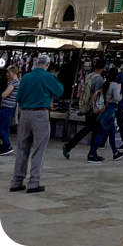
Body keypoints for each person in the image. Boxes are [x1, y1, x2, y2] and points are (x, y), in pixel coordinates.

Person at [9, 54, 63, 194]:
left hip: (24, 113)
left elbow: (18, 97)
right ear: (48, 64)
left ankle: (16, 181)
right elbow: (60, 91)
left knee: (22, 148)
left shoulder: (26, 77)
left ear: (36, 63)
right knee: (39, 149)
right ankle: (33, 182)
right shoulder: (48, 77)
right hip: (40, 113)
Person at [63, 58, 105, 160]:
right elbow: (96, 95)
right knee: (93, 130)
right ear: (103, 68)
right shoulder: (99, 79)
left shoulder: (89, 75)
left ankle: (72, 146)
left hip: (86, 106)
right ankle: (91, 153)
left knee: (88, 128)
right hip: (93, 108)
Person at [87, 67, 123, 164]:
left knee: (112, 132)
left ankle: (115, 152)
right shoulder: (114, 85)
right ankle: (92, 154)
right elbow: (117, 98)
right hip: (110, 110)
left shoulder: (105, 84)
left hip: (104, 109)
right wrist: (121, 96)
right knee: (101, 133)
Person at [0, 66, 20, 156]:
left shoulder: (14, 83)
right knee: (5, 127)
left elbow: (4, 95)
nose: (7, 74)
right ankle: (5, 147)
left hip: (7, 107)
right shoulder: (14, 82)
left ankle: (7, 145)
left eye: (9, 72)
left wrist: (4, 94)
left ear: (14, 72)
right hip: (9, 107)